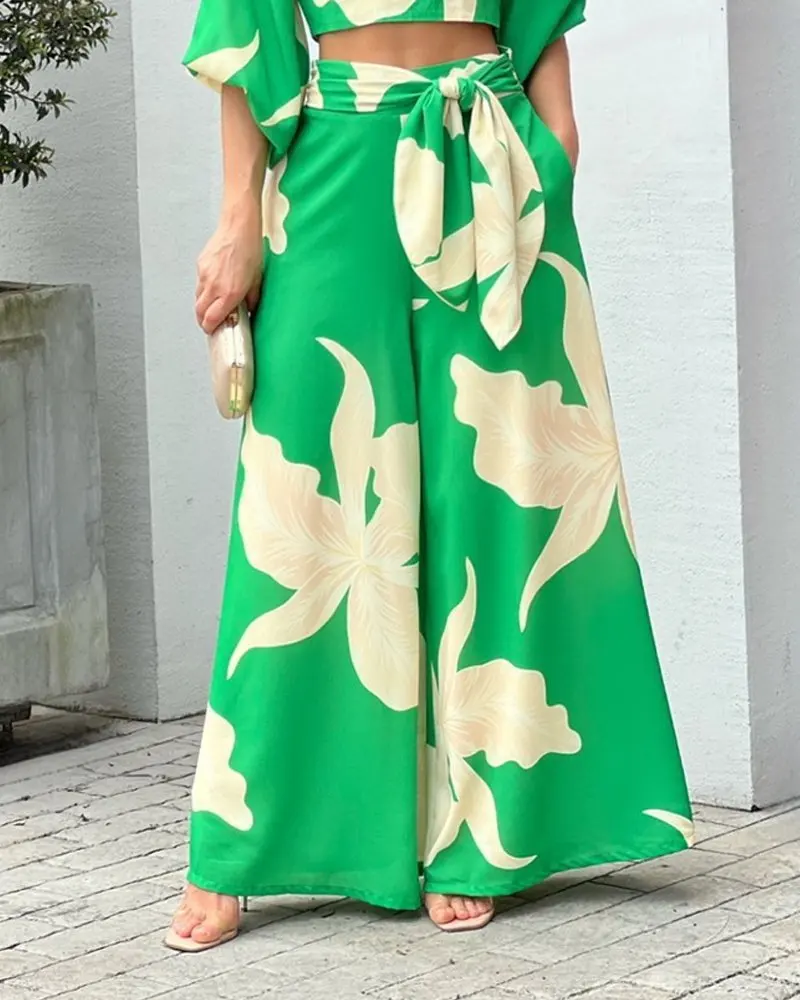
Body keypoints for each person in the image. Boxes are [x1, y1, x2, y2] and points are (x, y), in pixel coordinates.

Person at [167, 0, 694, 951]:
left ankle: (484, 832)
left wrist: (551, 159)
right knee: (311, 506)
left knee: (500, 497)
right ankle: (241, 845)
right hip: (335, 162)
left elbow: (540, 30)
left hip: (494, 167)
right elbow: (247, 38)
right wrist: (238, 219)